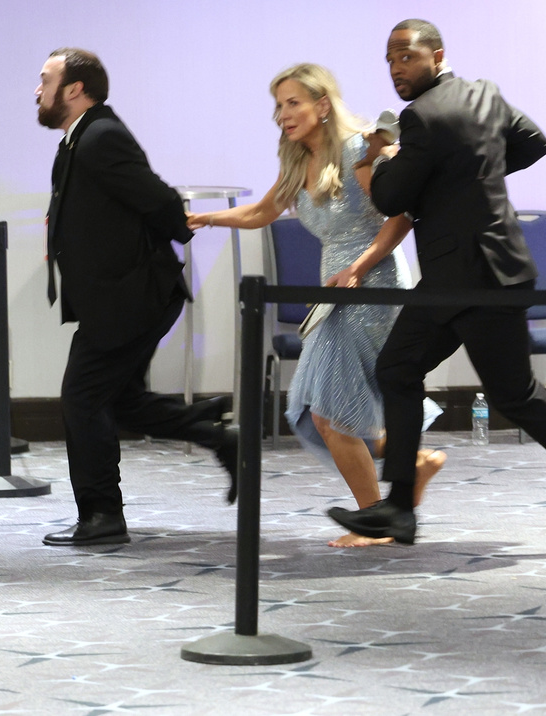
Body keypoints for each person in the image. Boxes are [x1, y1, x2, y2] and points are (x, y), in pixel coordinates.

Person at [328, 20, 546, 551]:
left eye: (406, 56)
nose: (396, 69)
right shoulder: (484, 95)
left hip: (481, 278)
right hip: (463, 275)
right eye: (389, 59)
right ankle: (400, 508)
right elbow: (533, 143)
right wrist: (471, 178)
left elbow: (387, 197)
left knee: (514, 395)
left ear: (437, 55)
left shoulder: (420, 118)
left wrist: (377, 155)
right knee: (398, 368)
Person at [188, 63, 445, 547]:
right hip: (335, 292)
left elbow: (400, 217)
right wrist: (209, 218)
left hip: (370, 286)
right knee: (322, 407)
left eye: (293, 103)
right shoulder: (297, 160)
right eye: (278, 105)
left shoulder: (357, 151)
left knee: (326, 410)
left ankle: (376, 518)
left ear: (322, 105)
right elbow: (263, 211)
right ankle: (411, 466)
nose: (282, 114)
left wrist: (360, 268)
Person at [35, 48, 238, 547]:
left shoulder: (101, 135)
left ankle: (103, 516)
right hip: (120, 296)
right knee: (118, 401)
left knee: (82, 399)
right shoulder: (80, 138)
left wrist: (178, 228)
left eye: (45, 80)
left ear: (75, 89)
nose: (37, 90)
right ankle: (215, 434)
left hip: (130, 296)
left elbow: (158, 198)